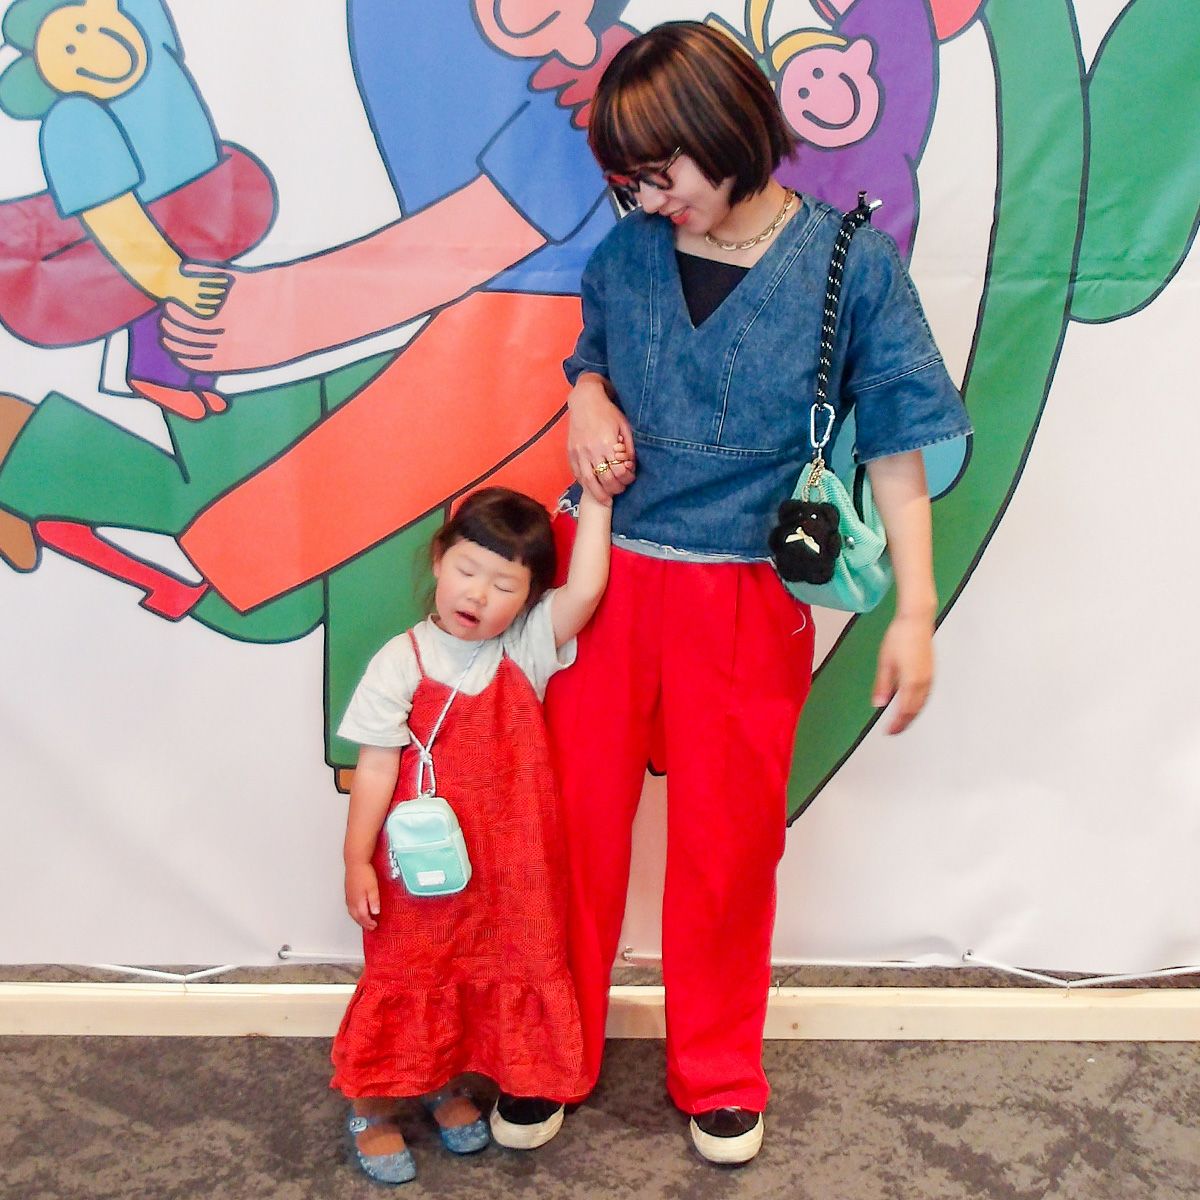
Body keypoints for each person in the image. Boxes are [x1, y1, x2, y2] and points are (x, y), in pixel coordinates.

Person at [544, 21, 972, 1165]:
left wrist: (914, 611)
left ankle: (721, 1066)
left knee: (728, 850)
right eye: (630, 181)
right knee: (573, 831)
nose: (649, 199)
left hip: (742, 598)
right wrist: (586, 394)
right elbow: (592, 353)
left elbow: (899, 442)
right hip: (603, 582)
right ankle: (548, 1049)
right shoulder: (627, 253)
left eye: (661, 172)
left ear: (726, 131)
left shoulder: (849, 263)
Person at [331, 484, 615, 1184]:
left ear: (528, 599)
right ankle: (372, 1107)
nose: (478, 594)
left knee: (474, 975)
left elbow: (585, 591)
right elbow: (375, 767)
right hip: (420, 873)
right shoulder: (400, 660)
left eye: (504, 585)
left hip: (509, 871)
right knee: (413, 973)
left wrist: (599, 499)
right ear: (438, 559)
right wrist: (356, 859)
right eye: (467, 570)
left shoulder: (525, 650)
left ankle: (444, 1085)